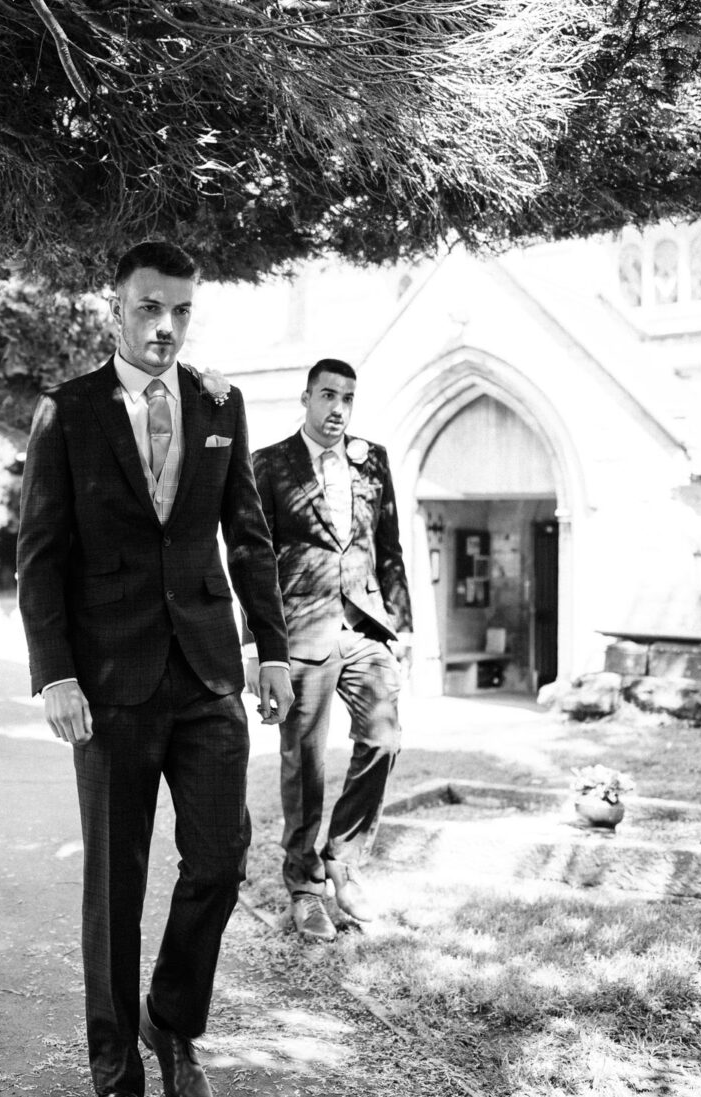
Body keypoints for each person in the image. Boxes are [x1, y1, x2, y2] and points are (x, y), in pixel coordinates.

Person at [17, 241, 294, 1097]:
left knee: (222, 858)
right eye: (149, 307)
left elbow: (248, 536)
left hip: (207, 673)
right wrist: (55, 673)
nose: (165, 326)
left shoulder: (222, 402)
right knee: (116, 878)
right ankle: (114, 1066)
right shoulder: (67, 411)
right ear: (118, 309)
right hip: (107, 684)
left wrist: (273, 647)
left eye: (179, 310)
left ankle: (170, 1020)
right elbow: (39, 555)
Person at [243, 358, 412, 943]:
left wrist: (402, 626)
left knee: (384, 738)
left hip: (364, 626)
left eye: (347, 398)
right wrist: (255, 645)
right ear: (306, 398)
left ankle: (343, 857)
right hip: (300, 631)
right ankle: (305, 887)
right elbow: (252, 559)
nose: (338, 408)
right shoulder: (267, 464)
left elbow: (388, 545)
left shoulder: (374, 460)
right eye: (327, 396)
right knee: (304, 762)